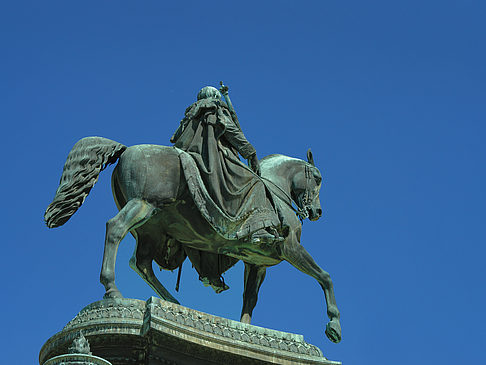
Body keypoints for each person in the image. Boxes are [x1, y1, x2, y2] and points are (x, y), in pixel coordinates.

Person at [171, 86, 284, 243]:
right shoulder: (216, 108)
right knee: (256, 183)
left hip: (192, 155)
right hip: (215, 158)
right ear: (216, 96)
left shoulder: (192, 114)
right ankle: (257, 230)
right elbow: (232, 131)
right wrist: (250, 152)